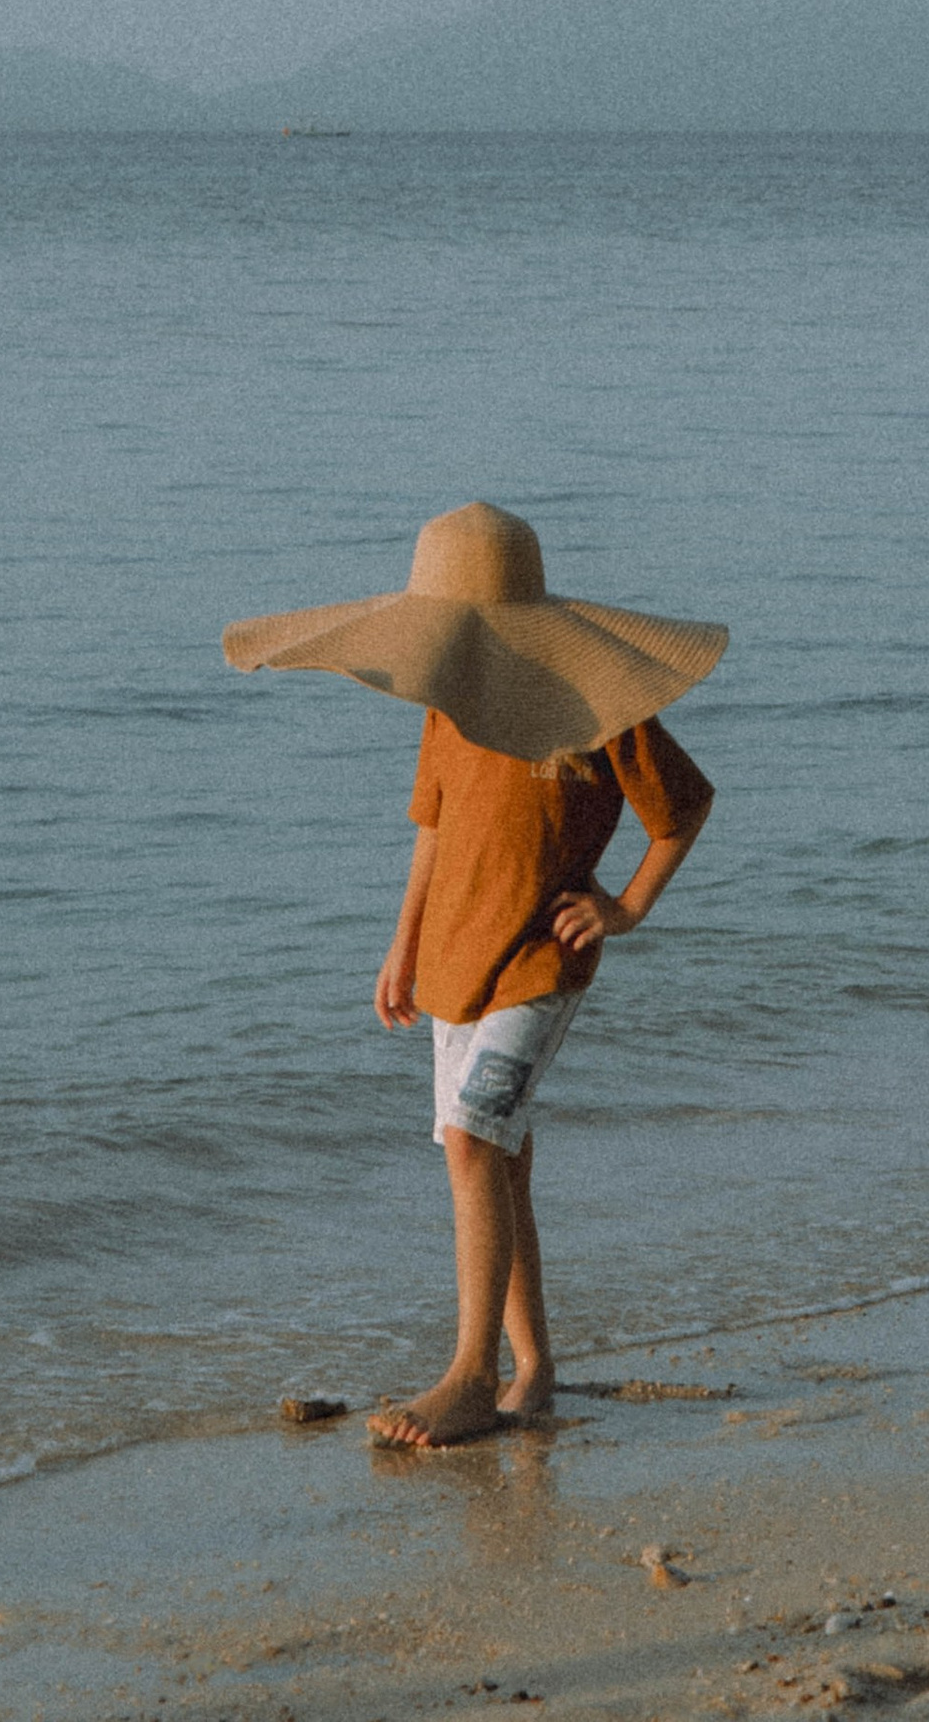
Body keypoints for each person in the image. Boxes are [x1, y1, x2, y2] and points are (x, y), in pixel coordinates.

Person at [224, 500, 723, 1450]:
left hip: (541, 962)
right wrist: (403, 944)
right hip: (456, 959)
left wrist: (625, 907)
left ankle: (470, 1375)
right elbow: (434, 828)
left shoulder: (597, 703)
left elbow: (684, 808)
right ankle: (534, 1368)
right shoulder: (447, 702)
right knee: (498, 1155)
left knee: (470, 1139)